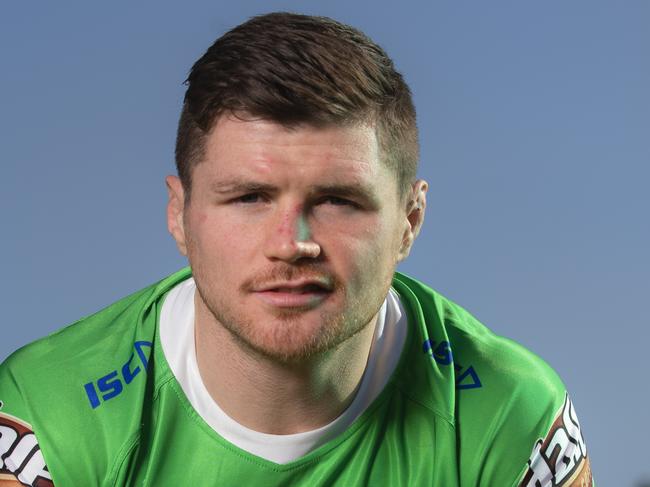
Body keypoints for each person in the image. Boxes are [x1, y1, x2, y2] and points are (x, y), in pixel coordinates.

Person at [0, 12, 592, 487]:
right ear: (180, 216)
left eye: (337, 200)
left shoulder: (510, 417)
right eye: (250, 197)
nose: (292, 243)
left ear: (409, 221)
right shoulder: (49, 417)